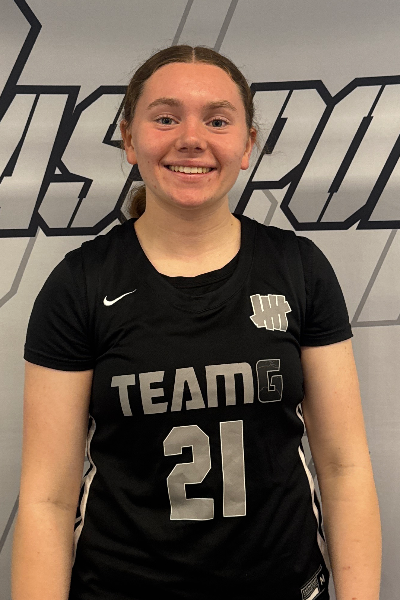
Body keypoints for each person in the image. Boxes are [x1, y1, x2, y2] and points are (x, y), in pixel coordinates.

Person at [12, 45, 381, 600]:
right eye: (165, 118)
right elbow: (48, 498)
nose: (191, 138)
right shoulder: (80, 284)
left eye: (217, 120)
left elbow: (344, 466)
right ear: (129, 139)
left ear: (247, 144)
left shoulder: (298, 269)